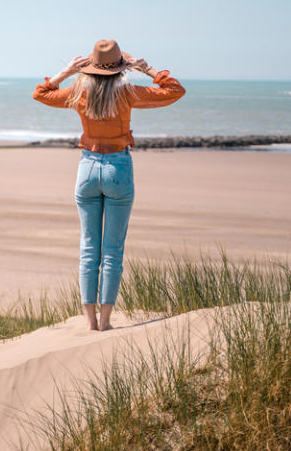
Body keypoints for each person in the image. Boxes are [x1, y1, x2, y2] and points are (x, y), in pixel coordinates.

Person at [33, 39, 186, 331]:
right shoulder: (128, 92)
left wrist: (66, 71)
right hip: (118, 168)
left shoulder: (78, 91)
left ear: (89, 68)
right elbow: (175, 91)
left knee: (89, 248)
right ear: (121, 67)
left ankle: (90, 323)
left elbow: (40, 94)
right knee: (113, 250)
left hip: (87, 169)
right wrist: (147, 68)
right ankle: (105, 322)